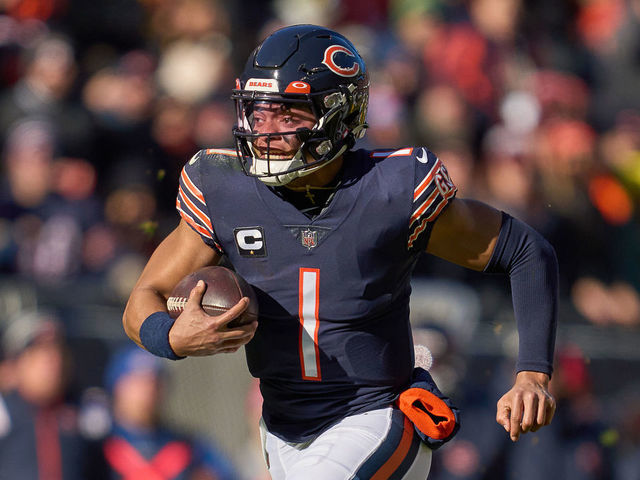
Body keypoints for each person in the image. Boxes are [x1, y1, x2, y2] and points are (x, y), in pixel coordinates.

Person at [123, 24, 558, 479]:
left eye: (288, 115)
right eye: (257, 113)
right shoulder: (224, 189)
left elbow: (526, 250)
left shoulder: (393, 189)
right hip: (281, 430)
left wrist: (532, 374)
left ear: (339, 116)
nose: (266, 131)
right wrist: (170, 338)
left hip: (377, 416)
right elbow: (142, 300)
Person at [100, 345, 239, 480]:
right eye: (138, 381)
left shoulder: (188, 446)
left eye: (155, 382)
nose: (148, 390)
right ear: (117, 387)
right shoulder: (98, 445)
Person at [0, 310, 100, 479]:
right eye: (39, 353)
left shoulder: (88, 411)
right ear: (15, 363)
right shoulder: (4, 411)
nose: (53, 361)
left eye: (58, 351)